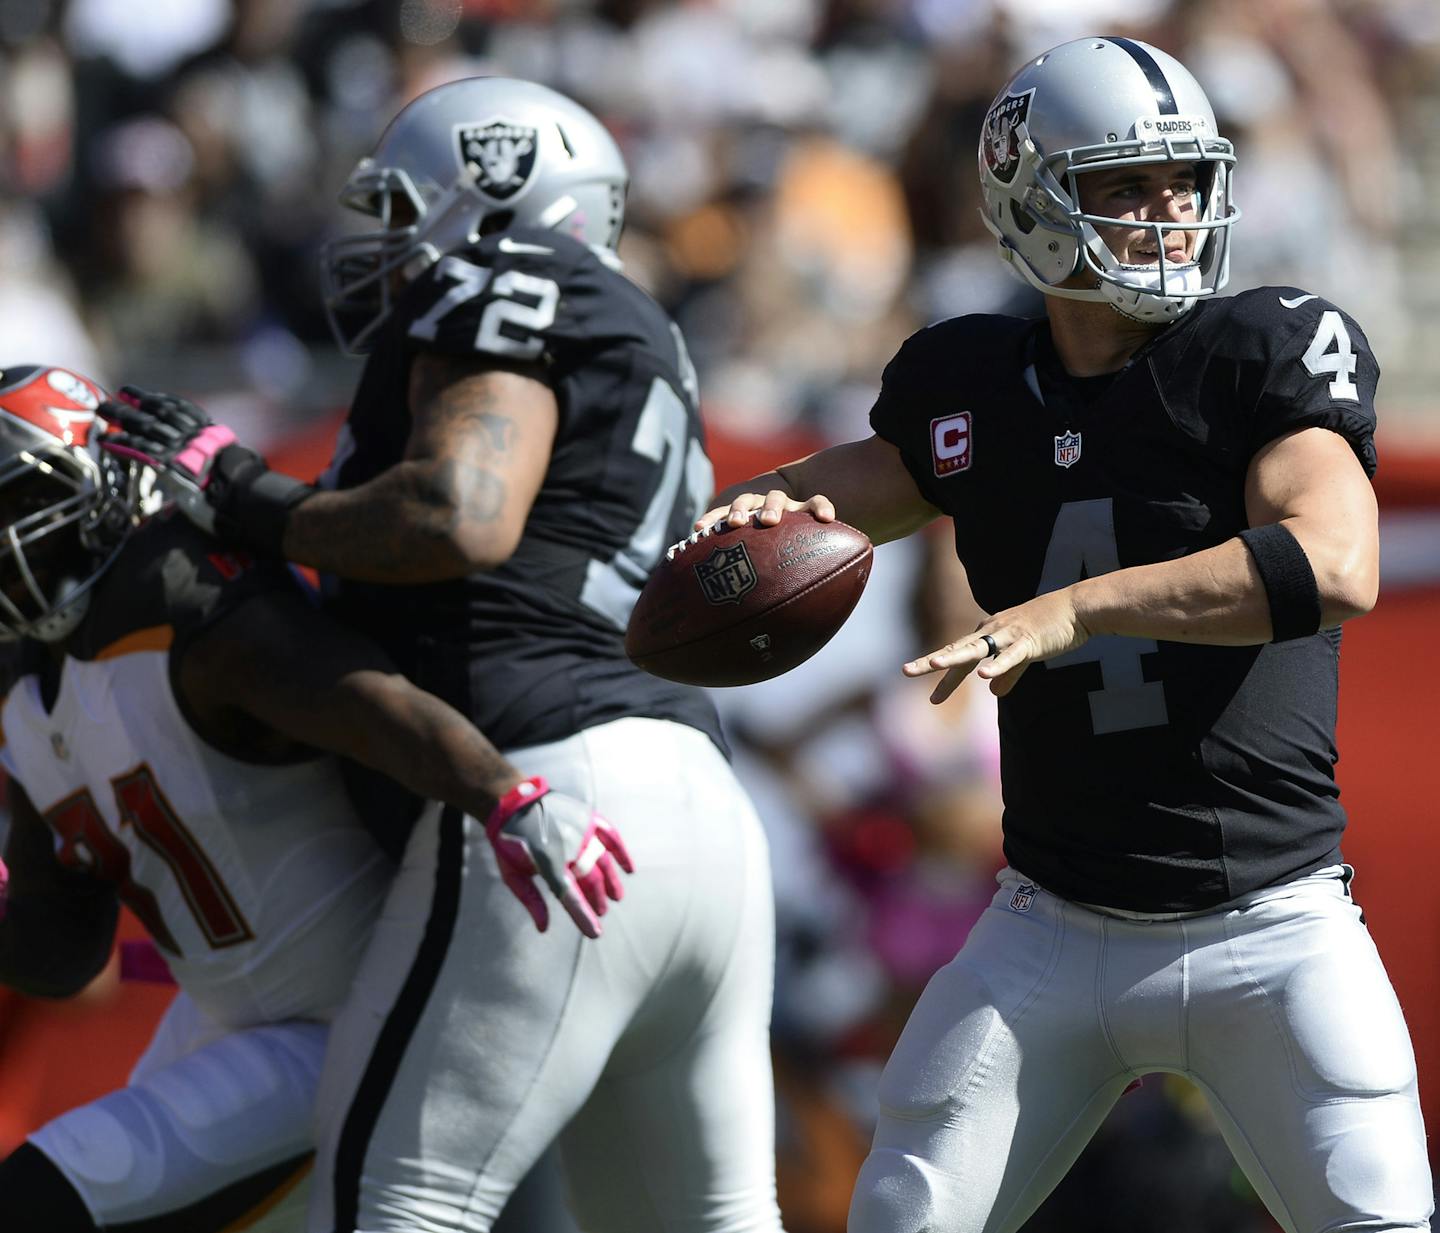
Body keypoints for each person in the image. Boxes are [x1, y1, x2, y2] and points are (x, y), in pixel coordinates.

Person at [681, 35, 1431, 1232]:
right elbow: (824, 502)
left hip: (1272, 924)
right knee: (904, 1215)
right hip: (1051, 928)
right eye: (1125, 186)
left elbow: (1335, 563)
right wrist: (747, 516)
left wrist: (1074, 607)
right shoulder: (972, 380)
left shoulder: (1258, 351)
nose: (1168, 214)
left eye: (1183, 182)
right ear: (1029, 202)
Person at [101, 79, 784, 1233]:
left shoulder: (501, 276)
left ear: (499, 191)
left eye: (398, 202)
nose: (377, 237)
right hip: (700, 814)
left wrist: (244, 491)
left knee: (402, 1205)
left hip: (547, 802)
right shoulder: (637, 326)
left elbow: (458, 512)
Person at [0, 363, 627, 1232]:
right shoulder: (23, 688)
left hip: (357, 1015)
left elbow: (361, 697)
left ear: (99, 479)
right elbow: (59, 952)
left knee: (43, 1199)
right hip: (225, 1024)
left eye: (16, 504)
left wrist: (504, 794)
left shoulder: (175, 591)